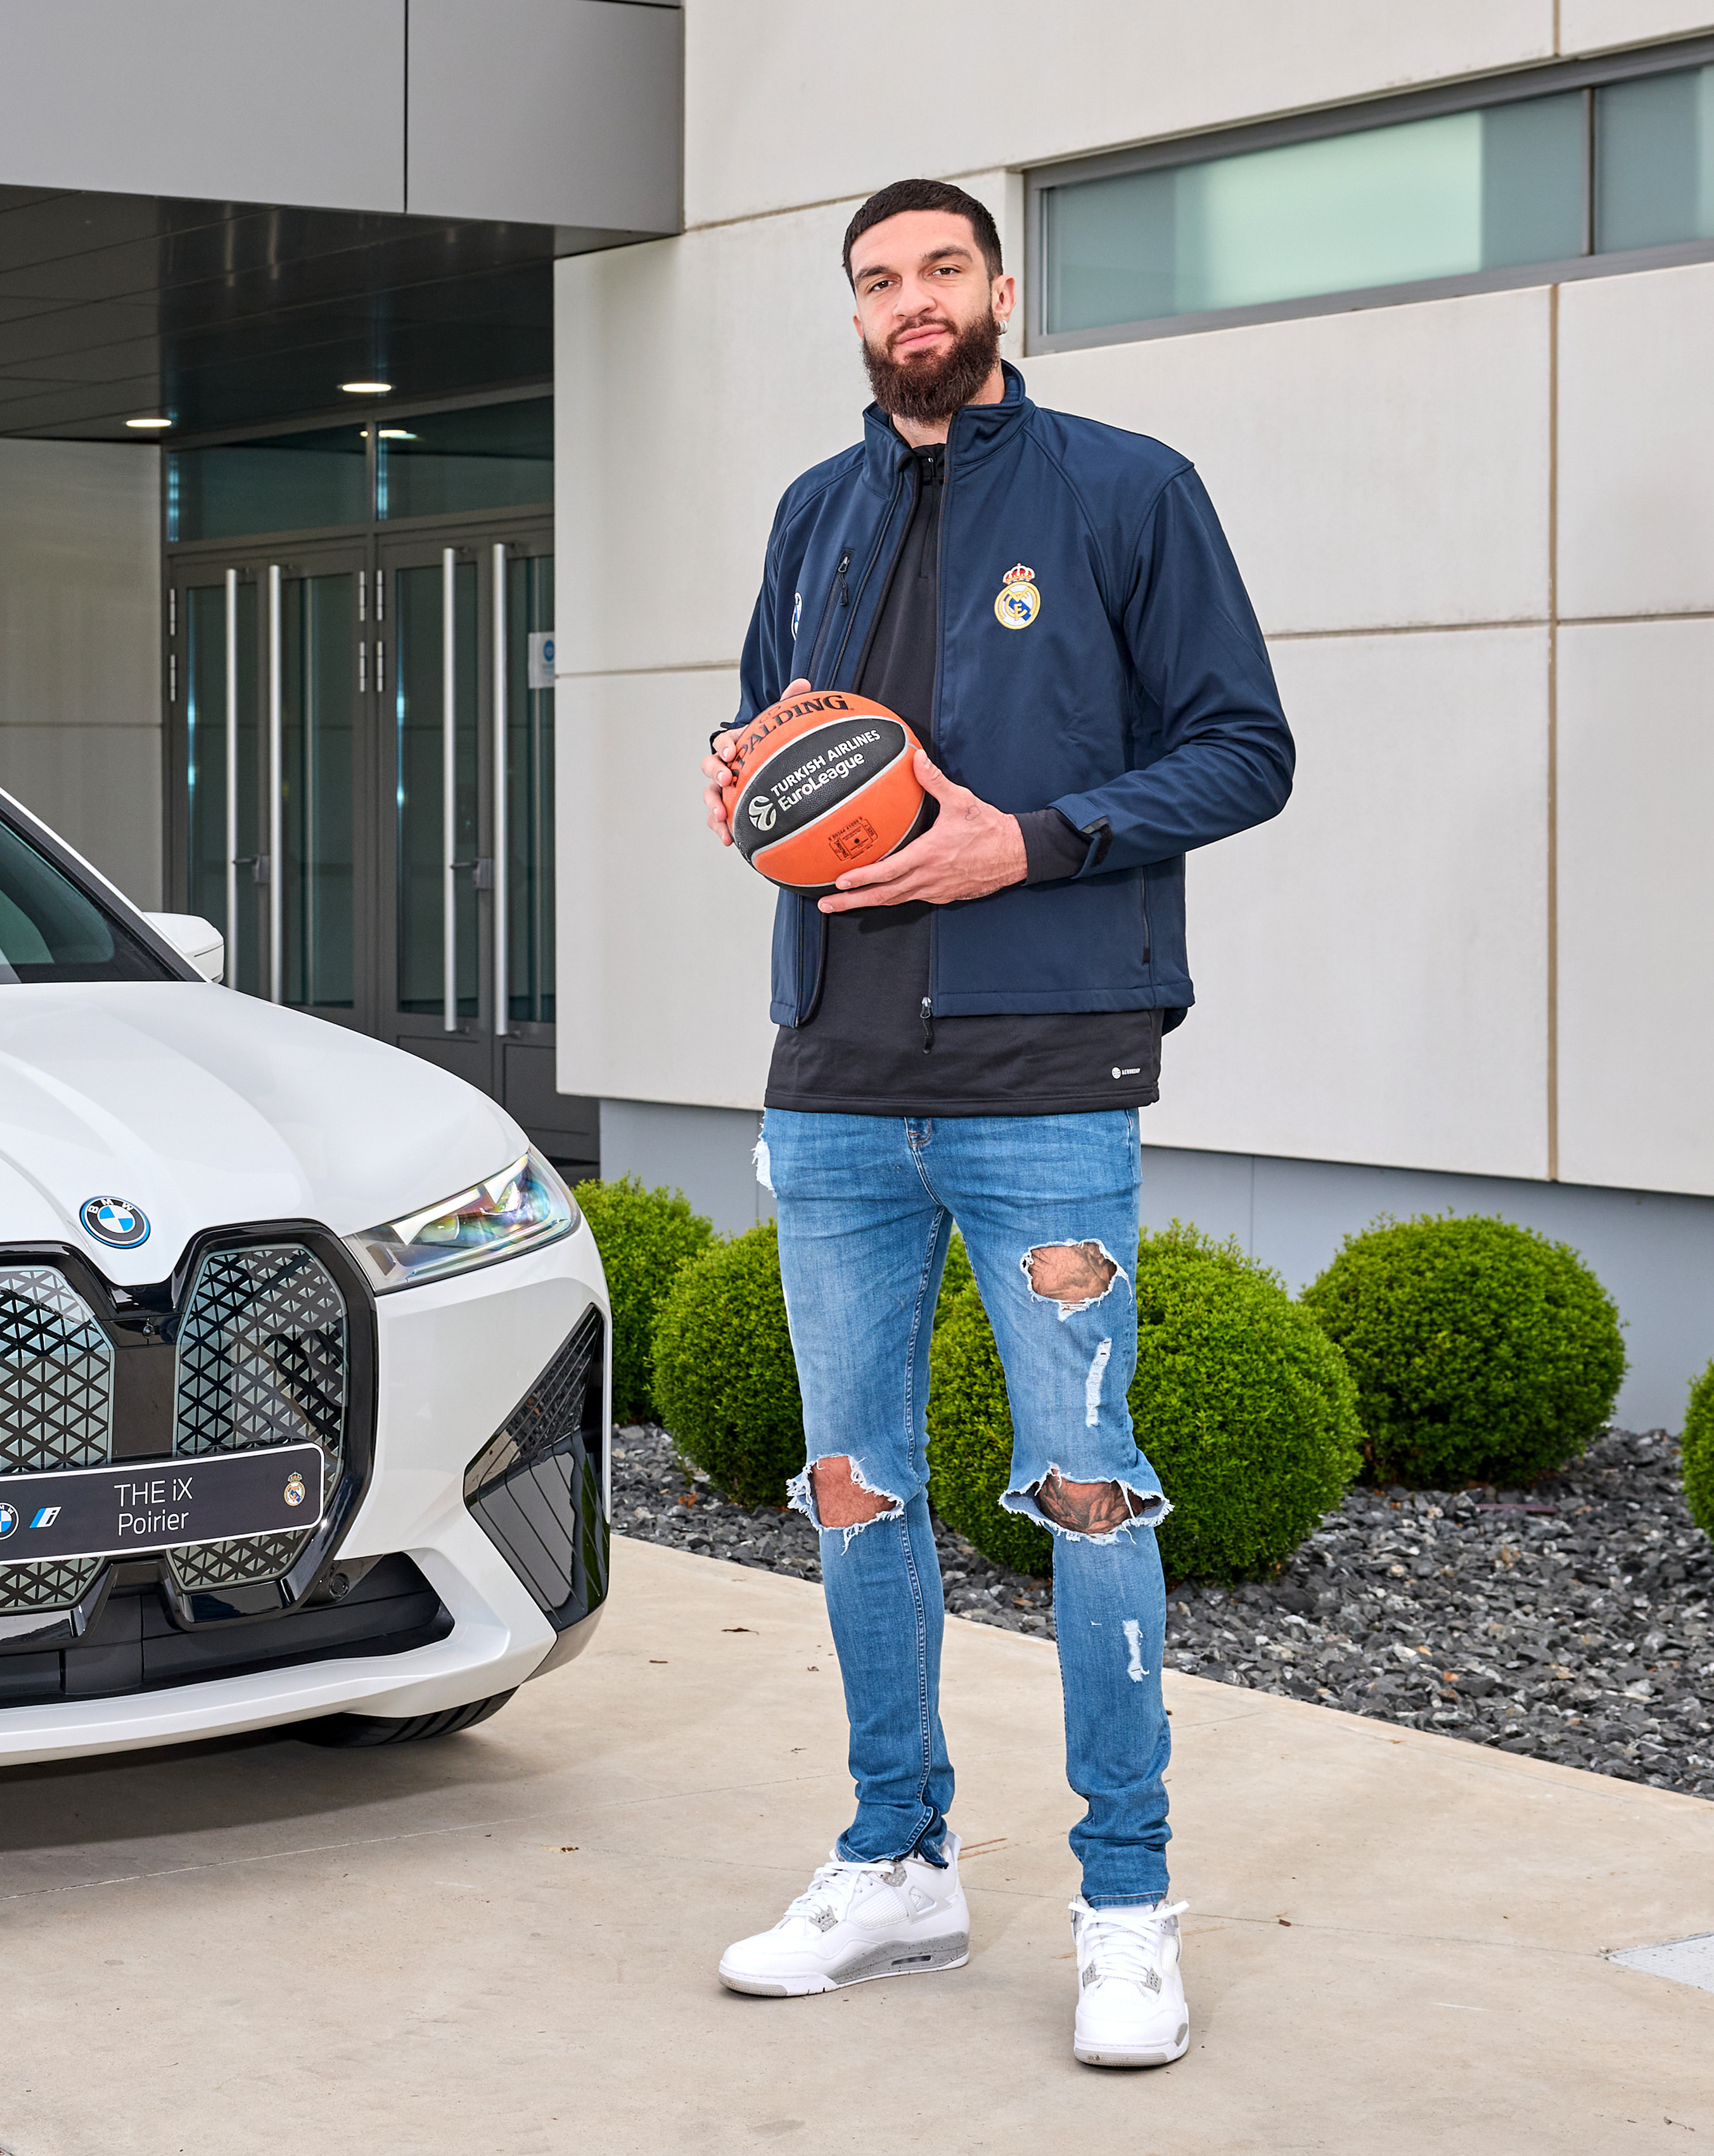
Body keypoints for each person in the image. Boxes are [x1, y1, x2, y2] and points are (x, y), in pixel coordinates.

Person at [701, 178, 1295, 2069]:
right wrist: (740, 780)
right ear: (857, 311)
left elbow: (1246, 748)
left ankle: (1128, 1899)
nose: (913, 301)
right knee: (854, 1482)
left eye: (941, 269)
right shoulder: (815, 511)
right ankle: (900, 1860)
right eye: (879, 279)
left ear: (999, 288)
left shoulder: (1128, 490)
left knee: (1088, 1485)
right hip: (834, 1072)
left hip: (1046, 1072)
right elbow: (764, 739)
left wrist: (1026, 843)